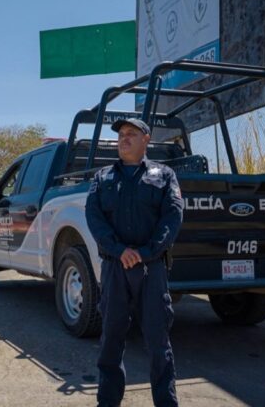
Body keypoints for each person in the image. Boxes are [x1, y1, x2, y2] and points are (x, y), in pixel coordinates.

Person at [85, 118, 184, 407]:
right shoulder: (102, 177)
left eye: (131, 134)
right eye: (120, 135)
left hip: (151, 269)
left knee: (158, 343)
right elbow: (94, 218)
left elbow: (172, 217)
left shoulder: (164, 175)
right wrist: (119, 250)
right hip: (115, 268)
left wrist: (146, 252)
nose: (123, 139)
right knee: (111, 340)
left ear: (146, 139)